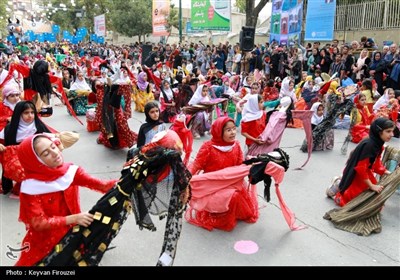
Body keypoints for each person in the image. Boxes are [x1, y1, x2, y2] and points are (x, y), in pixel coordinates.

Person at [15, 134, 117, 266]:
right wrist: (74, 219)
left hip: (74, 235)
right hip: (45, 244)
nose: (55, 153)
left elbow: (101, 185)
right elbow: (38, 223)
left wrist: (130, 177)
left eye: (53, 146)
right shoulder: (31, 188)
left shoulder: (70, 172)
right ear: (35, 161)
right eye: (46, 153)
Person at [186, 117, 258, 231]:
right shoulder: (208, 147)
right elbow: (196, 165)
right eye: (228, 130)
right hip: (213, 186)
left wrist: (252, 164)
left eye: (234, 129)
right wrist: (184, 178)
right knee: (233, 196)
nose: (233, 132)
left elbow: (239, 166)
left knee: (236, 195)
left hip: (231, 183)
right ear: (219, 131)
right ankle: (220, 217)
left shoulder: (236, 146)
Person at [326, 118, 394, 206]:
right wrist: (372, 186)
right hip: (356, 175)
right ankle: (338, 188)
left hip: (365, 174)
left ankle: (340, 183)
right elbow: (361, 169)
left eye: (392, 131)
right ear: (378, 131)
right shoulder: (369, 145)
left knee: (375, 203)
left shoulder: (378, 145)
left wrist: (387, 172)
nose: (392, 134)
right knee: (351, 204)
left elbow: (376, 164)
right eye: (388, 131)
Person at [0, 101, 53, 196]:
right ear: (19, 114)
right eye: (26, 113)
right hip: (18, 158)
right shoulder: (9, 129)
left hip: (38, 156)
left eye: (32, 112)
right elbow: (3, 146)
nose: (30, 116)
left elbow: (51, 139)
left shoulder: (38, 126)